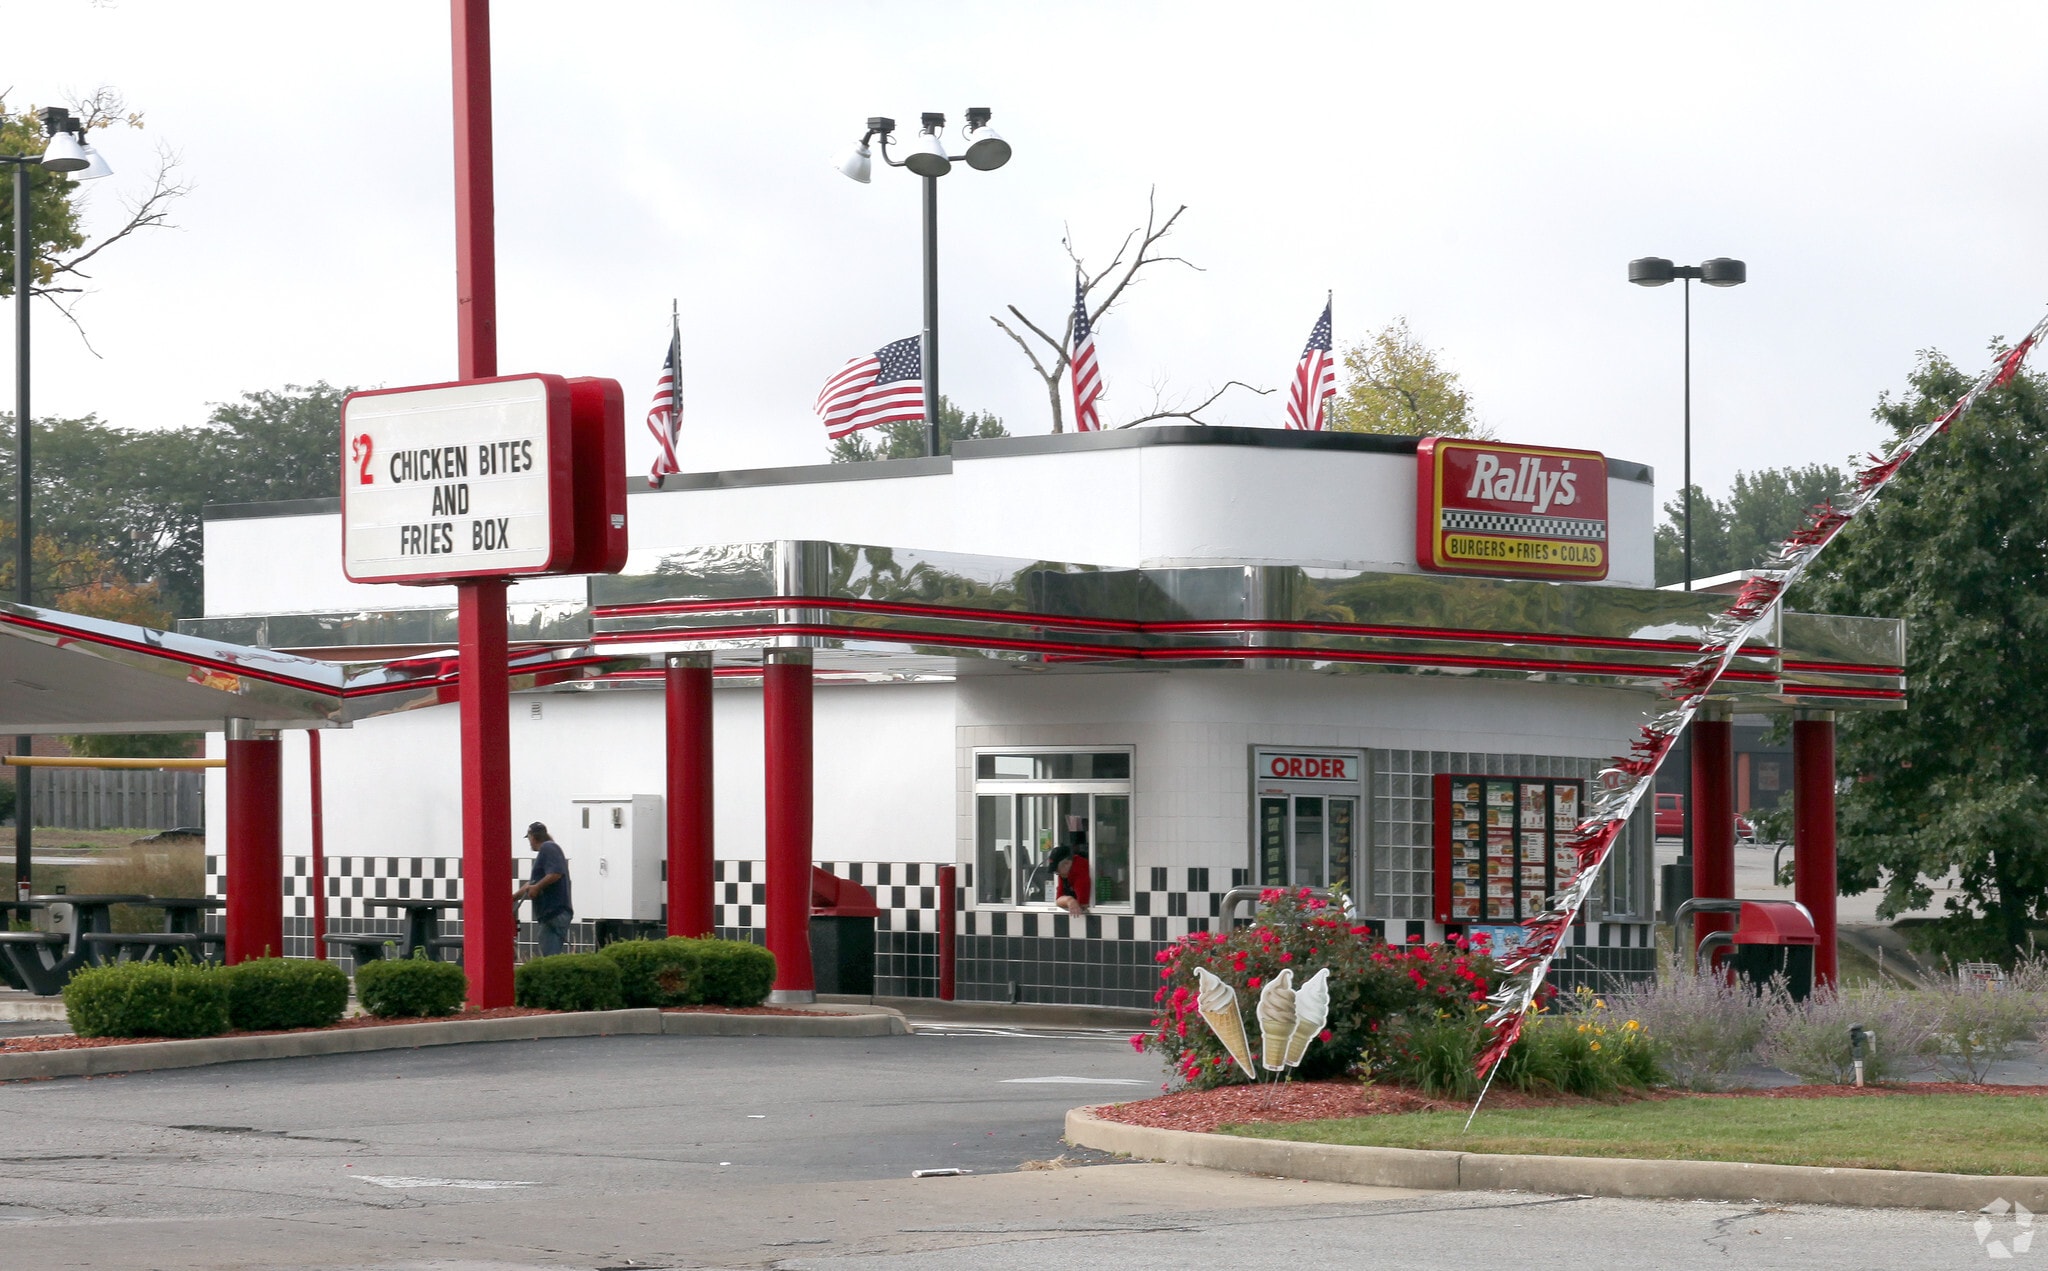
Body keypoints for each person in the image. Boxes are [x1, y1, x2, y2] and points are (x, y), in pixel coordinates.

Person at [515, 822, 573, 956]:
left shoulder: (548, 848)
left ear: (532, 837)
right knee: (548, 953)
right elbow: (531, 884)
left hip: (554, 912)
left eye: (529, 838)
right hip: (553, 913)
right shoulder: (549, 850)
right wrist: (513, 897)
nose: (529, 843)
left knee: (548, 957)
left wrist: (537, 887)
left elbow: (555, 874)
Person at [1052, 832, 1091, 917]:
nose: (1057, 874)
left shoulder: (1079, 869)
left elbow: (1082, 905)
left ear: (1067, 863)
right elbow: (1058, 900)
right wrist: (1069, 900)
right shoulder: (1063, 873)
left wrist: (1069, 901)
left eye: (1057, 870)